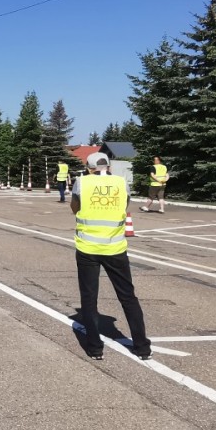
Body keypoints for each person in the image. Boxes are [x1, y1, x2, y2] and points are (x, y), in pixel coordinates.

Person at [71, 151, 151, 360]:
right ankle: (142, 347)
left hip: (88, 248)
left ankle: (95, 348)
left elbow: (75, 208)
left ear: (89, 168)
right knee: (128, 296)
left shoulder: (82, 182)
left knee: (89, 298)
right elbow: (124, 206)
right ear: (109, 167)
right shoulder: (121, 182)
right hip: (115, 247)